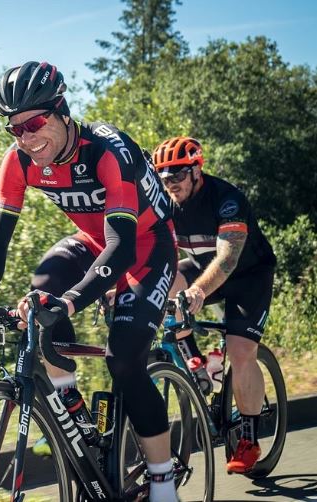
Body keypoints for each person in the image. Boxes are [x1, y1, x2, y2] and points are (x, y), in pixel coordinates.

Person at [0, 61, 180, 502]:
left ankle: (163, 479)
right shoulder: (19, 161)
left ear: (62, 112)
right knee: (40, 292)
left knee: (124, 359)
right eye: (14, 129)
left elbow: (123, 246)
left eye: (34, 123)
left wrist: (71, 302)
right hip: (92, 241)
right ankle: (70, 405)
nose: (26, 138)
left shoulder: (109, 151)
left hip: (146, 245)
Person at [153, 136, 277, 474]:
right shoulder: (164, 202)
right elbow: (147, 251)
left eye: (177, 175)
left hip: (248, 274)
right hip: (201, 268)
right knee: (162, 278)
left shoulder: (227, 200)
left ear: (196, 169)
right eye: (163, 177)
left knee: (239, 351)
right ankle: (193, 357)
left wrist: (197, 292)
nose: (170, 184)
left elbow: (227, 258)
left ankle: (249, 440)